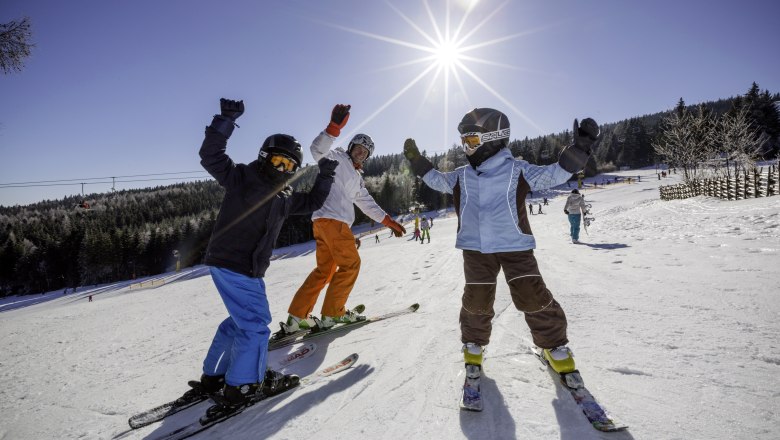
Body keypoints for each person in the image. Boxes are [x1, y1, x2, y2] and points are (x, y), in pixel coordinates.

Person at [403, 108, 599, 385]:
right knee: (477, 299)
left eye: (471, 141)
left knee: (532, 295)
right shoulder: (461, 175)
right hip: (475, 249)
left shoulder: (517, 170)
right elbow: (436, 180)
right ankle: (474, 343)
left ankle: (553, 345)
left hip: (514, 245)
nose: (465, 148)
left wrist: (579, 150)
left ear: (493, 139)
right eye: (463, 142)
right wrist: (417, 161)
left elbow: (553, 175)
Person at [194, 98, 338, 411]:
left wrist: (325, 176)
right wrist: (225, 121)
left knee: (239, 322)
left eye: (289, 166)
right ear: (264, 158)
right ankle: (244, 384)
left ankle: (215, 376)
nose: (282, 169)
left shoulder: (285, 195)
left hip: (247, 268)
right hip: (235, 262)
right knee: (256, 325)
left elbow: (312, 201)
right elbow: (211, 156)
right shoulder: (243, 177)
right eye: (277, 162)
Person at [278, 104, 406, 336]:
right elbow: (317, 149)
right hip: (333, 222)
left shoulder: (356, 178)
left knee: (324, 271)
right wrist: (333, 127)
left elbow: (368, 204)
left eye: (365, 152)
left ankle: (297, 317)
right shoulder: (336, 157)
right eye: (358, 147)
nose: (361, 152)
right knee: (351, 265)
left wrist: (389, 222)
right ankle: (333, 313)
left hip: (324, 224)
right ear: (351, 147)